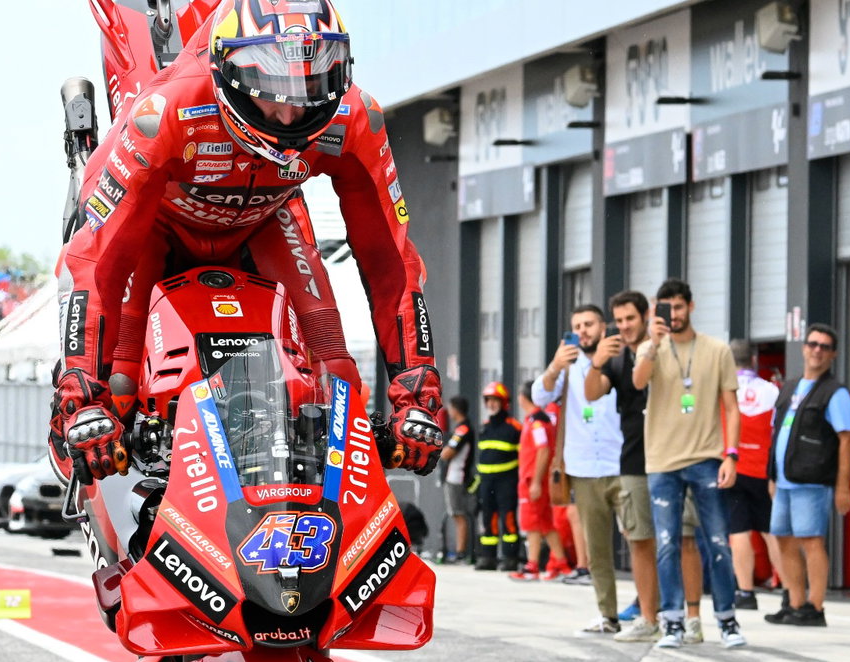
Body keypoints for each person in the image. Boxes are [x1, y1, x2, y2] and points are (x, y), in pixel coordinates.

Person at [49, 0, 444, 486]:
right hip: (152, 224)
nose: (291, 109)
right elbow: (95, 259)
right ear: (228, 73)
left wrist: (417, 393)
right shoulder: (166, 111)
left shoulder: (357, 116)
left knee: (340, 383)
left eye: (311, 86)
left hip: (266, 219)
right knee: (120, 386)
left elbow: (393, 264)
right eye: (273, 89)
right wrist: (81, 396)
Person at [630, 279, 747, 649]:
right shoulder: (650, 348)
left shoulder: (716, 350)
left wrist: (732, 454)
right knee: (666, 544)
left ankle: (727, 621)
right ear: (655, 310)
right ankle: (674, 623)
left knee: (717, 542)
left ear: (691, 308)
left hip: (707, 458)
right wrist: (653, 344)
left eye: (678, 308)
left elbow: (731, 407)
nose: (673, 315)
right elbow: (637, 383)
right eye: (666, 308)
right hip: (662, 462)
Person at [532, 306, 625, 633]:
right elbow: (539, 396)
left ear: (603, 327)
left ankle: (651, 612)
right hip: (584, 468)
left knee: (640, 539)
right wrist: (555, 366)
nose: (583, 330)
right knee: (598, 548)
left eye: (589, 324)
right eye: (577, 326)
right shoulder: (568, 368)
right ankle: (608, 615)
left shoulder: (618, 358)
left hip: (623, 463)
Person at [762, 324, 850, 627]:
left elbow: (846, 440)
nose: (817, 350)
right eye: (813, 344)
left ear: (834, 354)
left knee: (811, 540)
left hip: (812, 479)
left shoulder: (836, 393)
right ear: (803, 348)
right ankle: (795, 602)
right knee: (783, 538)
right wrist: (772, 476)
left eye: (825, 346)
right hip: (785, 479)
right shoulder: (789, 388)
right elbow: (776, 433)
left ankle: (815, 607)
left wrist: (842, 487)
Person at [585, 291, 661, 641]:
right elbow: (591, 393)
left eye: (631, 318)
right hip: (633, 460)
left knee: (680, 540)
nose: (625, 326)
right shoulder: (615, 359)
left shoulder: (665, 350)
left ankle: (678, 616)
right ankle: (649, 618)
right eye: (620, 320)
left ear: (645, 316)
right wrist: (596, 363)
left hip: (671, 455)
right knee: (641, 541)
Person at [722, 340, 784, 611]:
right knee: (772, 532)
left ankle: (745, 592)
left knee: (739, 531)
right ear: (754, 360)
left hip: (733, 467)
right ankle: (789, 589)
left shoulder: (722, 389)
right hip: (764, 469)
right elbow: (778, 429)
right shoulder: (772, 390)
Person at [512, 392, 570, 581]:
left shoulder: (536, 422)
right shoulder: (537, 420)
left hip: (532, 480)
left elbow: (543, 450)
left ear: (523, 398)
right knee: (546, 524)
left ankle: (532, 566)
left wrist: (536, 481)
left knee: (532, 525)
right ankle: (561, 563)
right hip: (535, 480)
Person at [472, 382, 523, 571]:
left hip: (507, 481)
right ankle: (488, 558)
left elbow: (523, 458)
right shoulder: (484, 428)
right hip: (486, 482)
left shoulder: (515, 428)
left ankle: (511, 558)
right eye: (489, 401)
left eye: (495, 401)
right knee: (488, 519)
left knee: (508, 518)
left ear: (504, 403)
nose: (491, 404)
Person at [439, 396, 476, 563]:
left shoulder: (463, 429)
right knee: (456, 514)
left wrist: (442, 451)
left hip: (457, 477)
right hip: (455, 477)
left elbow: (448, 453)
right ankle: (460, 551)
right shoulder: (462, 428)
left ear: (455, 409)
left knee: (458, 514)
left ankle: (461, 552)